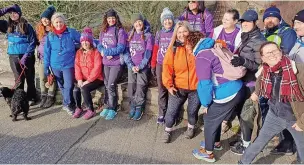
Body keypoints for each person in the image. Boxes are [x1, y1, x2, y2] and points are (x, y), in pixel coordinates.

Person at [239, 41, 304, 164]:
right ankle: (243, 162)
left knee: (302, 148)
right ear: (263, 58)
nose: (272, 55)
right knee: (259, 141)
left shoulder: (299, 70)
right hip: (274, 115)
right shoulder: (264, 70)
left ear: (281, 52)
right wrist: (256, 93)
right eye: (268, 53)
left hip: (296, 118)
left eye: (275, 51)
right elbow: (260, 82)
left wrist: (302, 122)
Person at [188, 31, 244, 163]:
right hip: (238, 86)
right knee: (216, 117)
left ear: (191, 45)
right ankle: (216, 143)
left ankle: (208, 153)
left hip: (226, 92)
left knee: (209, 119)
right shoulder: (214, 47)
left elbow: (204, 84)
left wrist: (206, 104)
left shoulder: (202, 56)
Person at [229, 10, 266, 155]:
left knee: (247, 115)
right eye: (243, 22)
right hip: (244, 80)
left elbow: (261, 65)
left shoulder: (258, 40)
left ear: (255, 23)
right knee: (242, 113)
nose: (244, 24)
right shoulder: (247, 36)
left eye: (248, 22)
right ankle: (244, 140)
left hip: (252, 83)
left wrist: (243, 61)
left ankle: (246, 146)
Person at [262, 5, 298, 156]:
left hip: (283, 77)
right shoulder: (266, 32)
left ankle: (289, 144)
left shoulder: (287, 32)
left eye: (272, 17)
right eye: (267, 18)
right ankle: (281, 139)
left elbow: (286, 53)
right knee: (273, 108)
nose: (269, 20)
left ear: (279, 18)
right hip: (269, 75)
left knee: (285, 110)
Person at [161, 20, 200, 143]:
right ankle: (167, 130)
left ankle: (191, 127)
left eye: (184, 31)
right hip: (178, 87)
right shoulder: (173, 48)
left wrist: (221, 44)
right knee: (171, 111)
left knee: (192, 110)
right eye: (179, 32)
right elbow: (167, 67)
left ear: (189, 32)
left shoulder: (197, 45)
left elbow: (213, 44)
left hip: (196, 87)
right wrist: (169, 86)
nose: (182, 34)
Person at [211, 8, 242, 133]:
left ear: (235, 21)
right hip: (218, 67)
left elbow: (238, 53)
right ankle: (217, 119)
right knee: (219, 92)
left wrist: (225, 46)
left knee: (232, 93)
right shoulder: (217, 30)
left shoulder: (240, 33)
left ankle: (225, 121)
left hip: (232, 68)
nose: (224, 21)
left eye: (227, 19)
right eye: (224, 18)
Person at [44, 12, 81, 115]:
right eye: (56, 22)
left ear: (64, 22)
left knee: (68, 85)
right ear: (52, 23)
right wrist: (46, 67)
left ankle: (67, 104)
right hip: (55, 65)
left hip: (68, 64)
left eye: (60, 22)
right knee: (61, 86)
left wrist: (96, 44)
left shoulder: (71, 32)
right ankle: (68, 104)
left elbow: (84, 39)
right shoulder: (50, 36)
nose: (59, 24)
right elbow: (47, 52)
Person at [1, 4, 38, 106]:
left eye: (15, 12)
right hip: (13, 57)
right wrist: (4, 11)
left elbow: (32, 41)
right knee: (18, 80)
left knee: (29, 77)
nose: (13, 15)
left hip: (27, 56)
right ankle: (19, 98)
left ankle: (31, 97)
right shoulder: (6, 25)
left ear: (19, 14)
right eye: (11, 13)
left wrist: (27, 55)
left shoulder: (27, 26)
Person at [97, 9, 127, 120]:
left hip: (116, 63)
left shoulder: (120, 31)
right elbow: (99, 44)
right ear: (106, 19)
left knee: (111, 85)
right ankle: (107, 106)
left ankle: (113, 108)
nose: (111, 20)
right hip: (106, 62)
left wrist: (108, 52)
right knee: (106, 84)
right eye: (109, 18)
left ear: (116, 18)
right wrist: (103, 51)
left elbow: (121, 47)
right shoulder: (103, 30)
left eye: (113, 18)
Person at [124, 13, 154, 121]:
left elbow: (148, 53)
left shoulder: (148, 36)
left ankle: (139, 107)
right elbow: (126, 52)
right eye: (135, 22)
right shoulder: (129, 35)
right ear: (133, 24)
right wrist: (131, 65)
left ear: (143, 22)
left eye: (139, 21)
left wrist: (140, 66)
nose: (138, 23)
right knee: (132, 87)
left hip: (143, 67)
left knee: (140, 88)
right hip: (131, 67)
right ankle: (132, 105)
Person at [150, 7, 175, 124]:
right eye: (165, 20)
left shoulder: (176, 32)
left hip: (172, 65)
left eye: (169, 19)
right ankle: (161, 113)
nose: (167, 22)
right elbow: (155, 49)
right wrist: (153, 64)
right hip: (160, 64)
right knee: (161, 90)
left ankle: (171, 114)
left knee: (172, 89)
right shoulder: (159, 33)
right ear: (162, 22)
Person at [73, 27, 103, 120]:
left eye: (87, 41)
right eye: (82, 41)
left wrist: (88, 81)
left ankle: (91, 110)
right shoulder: (79, 52)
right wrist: (79, 79)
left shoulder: (96, 52)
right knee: (75, 89)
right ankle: (79, 108)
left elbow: (97, 68)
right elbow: (77, 67)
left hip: (97, 78)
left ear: (90, 42)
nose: (85, 43)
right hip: (84, 78)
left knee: (84, 88)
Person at [36, 5, 57, 108]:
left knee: (51, 77)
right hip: (41, 58)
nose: (44, 20)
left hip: (52, 58)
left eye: (46, 18)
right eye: (43, 18)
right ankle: (43, 96)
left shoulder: (54, 30)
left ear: (50, 19)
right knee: (42, 78)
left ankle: (50, 97)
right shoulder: (40, 30)